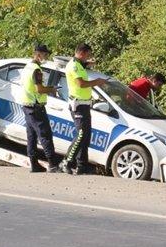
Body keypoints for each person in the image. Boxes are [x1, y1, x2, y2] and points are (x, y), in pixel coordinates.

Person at [63, 43, 107, 175]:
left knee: (86, 136)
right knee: (81, 134)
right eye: (87, 55)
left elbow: (84, 65)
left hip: (85, 104)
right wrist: (97, 82)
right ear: (81, 53)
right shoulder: (74, 65)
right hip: (78, 105)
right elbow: (80, 84)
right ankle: (67, 162)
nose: (88, 58)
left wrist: (90, 63)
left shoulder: (79, 64)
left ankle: (82, 165)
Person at [20, 43, 61, 173]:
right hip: (36, 107)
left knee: (31, 136)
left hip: (27, 106)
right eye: (45, 54)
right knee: (45, 135)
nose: (46, 56)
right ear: (38, 54)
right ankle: (53, 164)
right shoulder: (36, 70)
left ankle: (34, 164)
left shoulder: (27, 67)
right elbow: (39, 89)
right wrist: (52, 90)